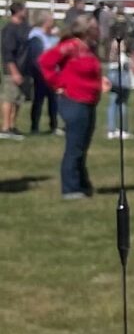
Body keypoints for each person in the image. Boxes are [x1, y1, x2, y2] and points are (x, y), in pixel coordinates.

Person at [39, 18, 104, 202]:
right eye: (94, 26)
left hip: (89, 100)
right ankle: (70, 187)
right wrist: (58, 83)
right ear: (85, 30)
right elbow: (45, 61)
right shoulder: (70, 46)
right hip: (74, 100)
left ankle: (82, 183)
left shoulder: (88, 47)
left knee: (83, 145)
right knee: (74, 146)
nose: (98, 29)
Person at [25, 14, 57, 135]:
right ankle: (34, 127)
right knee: (39, 100)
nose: (53, 23)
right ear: (45, 22)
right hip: (41, 74)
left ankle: (53, 126)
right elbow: (37, 58)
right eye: (51, 21)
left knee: (53, 101)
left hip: (53, 73)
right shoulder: (36, 37)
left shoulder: (51, 36)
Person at [0, 0, 26, 138]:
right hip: (12, 69)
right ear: (19, 11)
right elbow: (7, 53)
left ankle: (12, 125)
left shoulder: (21, 27)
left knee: (18, 99)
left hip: (22, 68)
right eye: (24, 9)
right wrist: (14, 71)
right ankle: (5, 127)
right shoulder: (9, 29)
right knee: (9, 98)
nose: (26, 12)